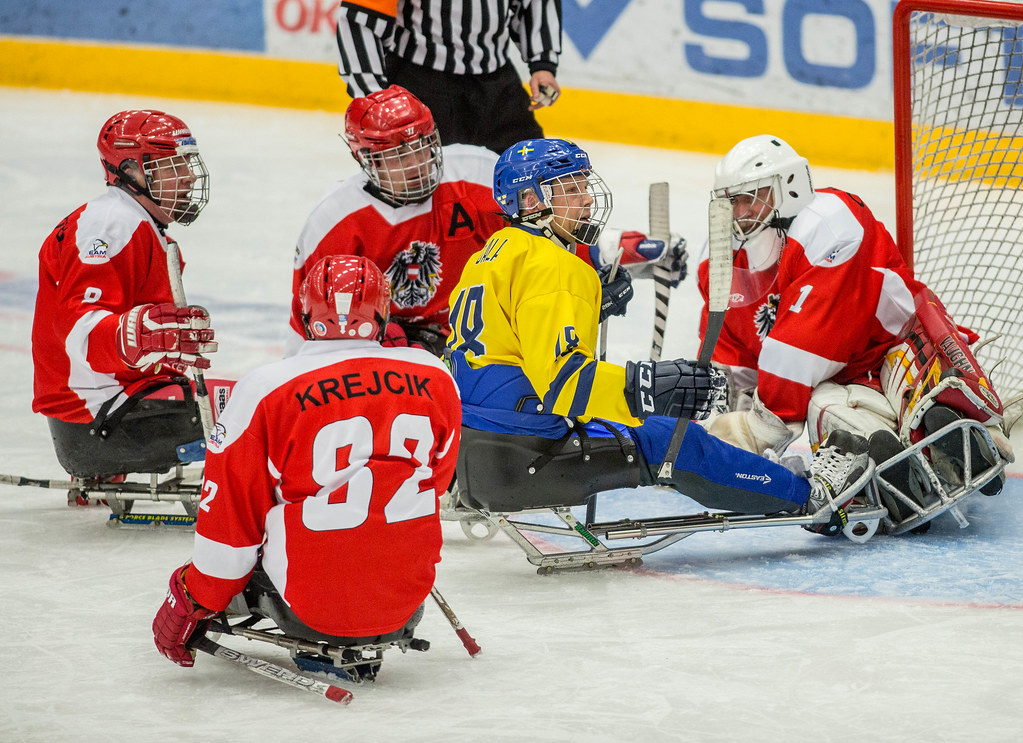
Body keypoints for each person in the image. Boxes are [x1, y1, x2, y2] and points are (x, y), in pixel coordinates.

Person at [445, 137, 872, 535]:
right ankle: (811, 498)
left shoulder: (491, 254)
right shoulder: (554, 267)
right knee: (672, 440)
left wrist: (587, 311)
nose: (587, 198)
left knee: (643, 426)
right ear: (532, 200)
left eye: (582, 184)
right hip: (527, 455)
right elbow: (563, 385)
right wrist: (647, 386)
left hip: (474, 454)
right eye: (569, 189)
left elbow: (516, 348)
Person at [153, 255, 462, 669]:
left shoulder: (266, 388)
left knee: (248, 543)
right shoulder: (436, 375)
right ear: (384, 313)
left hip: (307, 607)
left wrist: (189, 598)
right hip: (406, 602)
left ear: (303, 313)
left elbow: (229, 530)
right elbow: (437, 485)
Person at [699, 134, 1013, 523]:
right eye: (733, 201)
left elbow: (801, 349)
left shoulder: (830, 222)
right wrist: (708, 419)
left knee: (929, 379)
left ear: (789, 188)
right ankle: (896, 467)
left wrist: (761, 425)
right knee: (827, 410)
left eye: (752, 197)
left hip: (895, 345)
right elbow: (732, 357)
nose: (741, 211)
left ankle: (964, 432)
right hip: (841, 378)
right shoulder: (721, 263)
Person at [31, 109, 217, 480]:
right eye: (171, 166)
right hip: (99, 420)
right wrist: (136, 335)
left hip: (109, 407)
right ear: (130, 170)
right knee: (262, 407)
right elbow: (78, 326)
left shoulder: (139, 223)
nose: (187, 178)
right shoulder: (111, 223)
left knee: (247, 398)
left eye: (187, 165)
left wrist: (155, 344)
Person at [289, 85, 508, 357]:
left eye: (422, 148)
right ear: (367, 159)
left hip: (479, 329)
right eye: (399, 156)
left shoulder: (480, 176)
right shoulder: (334, 221)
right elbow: (309, 324)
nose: (417, 164)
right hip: (381, 344)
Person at [334, 0, 561, 154]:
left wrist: (543, 64)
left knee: (533, 175)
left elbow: (535, 4)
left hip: (497, 88)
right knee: (422, 189)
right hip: (419, 86)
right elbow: (359, 20)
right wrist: (375, 99)